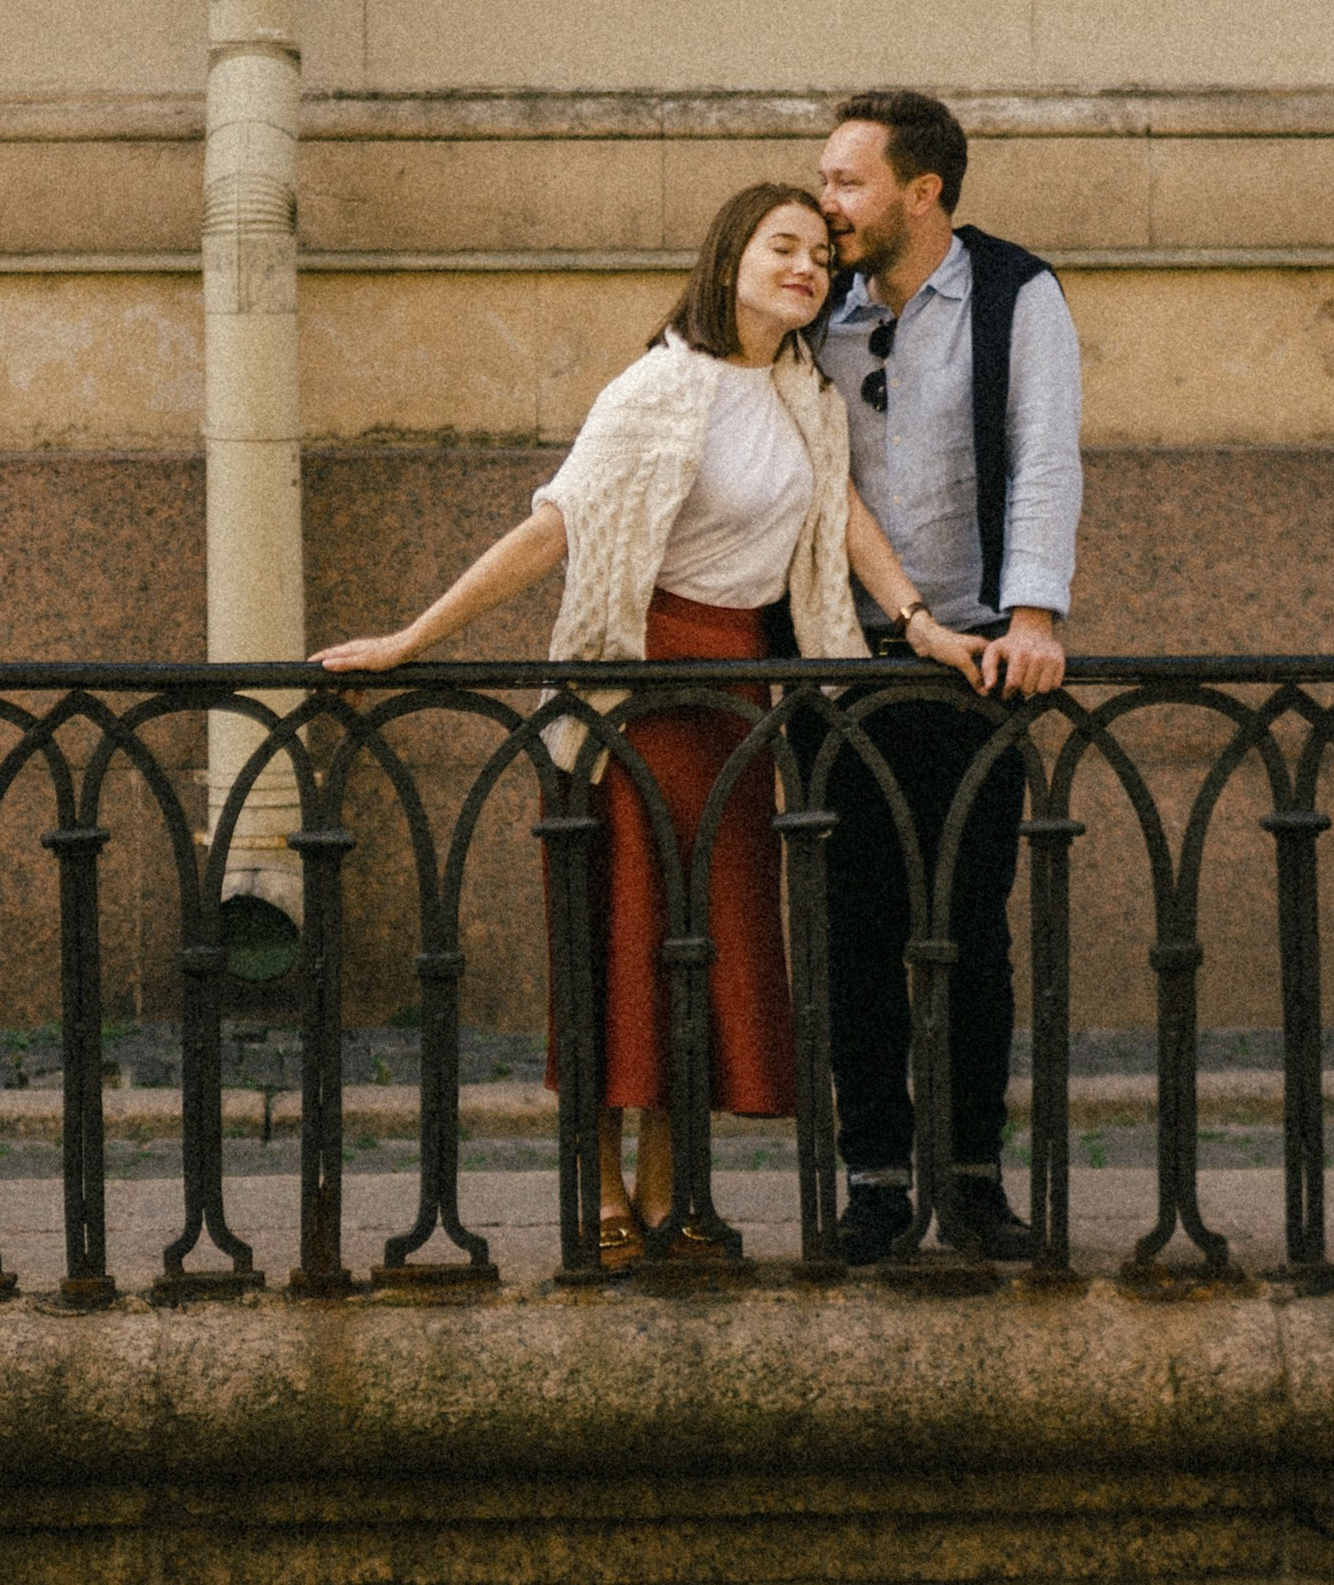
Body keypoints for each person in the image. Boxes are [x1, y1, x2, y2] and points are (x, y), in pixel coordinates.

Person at [313, 181, 984, 1267]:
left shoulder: (810, 396)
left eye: (820, 254)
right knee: (618, 946)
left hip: (740, 706)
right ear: (729, 260)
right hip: (631, 701)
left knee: (701, 953)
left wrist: (921, 625)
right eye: (783, 247)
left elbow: (843, 519)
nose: (807, 269)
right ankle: (601, 1191)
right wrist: (408, 640)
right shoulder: (657, 389)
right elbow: (551, 530)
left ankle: (673, 1193)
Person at [810, 91, 1084, 1266]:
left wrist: (1031, 617)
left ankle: (972, 1181)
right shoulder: (809, 298)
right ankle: (873, 1183)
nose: (826, 206)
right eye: (823, 182)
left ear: (921, 192)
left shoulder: (1019, 292)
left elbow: (1042, 452)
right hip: (833, 664)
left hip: (974, 658)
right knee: (853, 932)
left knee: (972, 931)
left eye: (846, 184)